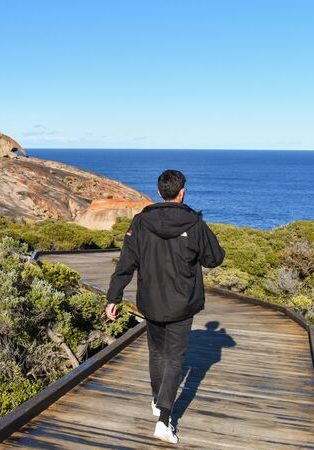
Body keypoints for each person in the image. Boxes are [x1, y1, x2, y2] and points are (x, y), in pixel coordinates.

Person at [105, 169, 225, 444]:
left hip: (151, 301)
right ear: (181, 192)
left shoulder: (140, 222)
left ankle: (158, 401)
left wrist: (113, 297)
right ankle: (164, 420)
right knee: (174, 359)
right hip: (182, 304)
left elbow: (125, 264)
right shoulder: (195, 224)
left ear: (159, 192)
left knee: (157, 353)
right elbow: (214, 258)